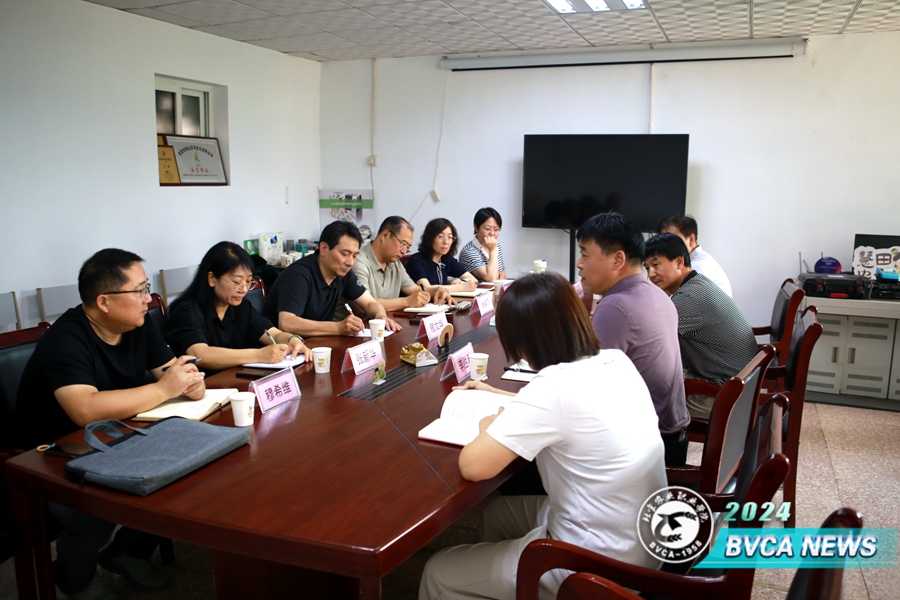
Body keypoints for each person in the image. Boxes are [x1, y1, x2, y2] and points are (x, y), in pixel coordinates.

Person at [419, 272, 665, 600]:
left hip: (596, 565)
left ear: (524, 340)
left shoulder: (554, 387)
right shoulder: (614, 360)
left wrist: (487, 426)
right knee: (497, 514)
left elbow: (473, 466)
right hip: (646, 540)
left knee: (438, 572)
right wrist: (496, 394)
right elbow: (567, 412)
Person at [14, 248, 206, 600]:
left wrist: (190, 382)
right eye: (140, 291)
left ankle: (127, 553)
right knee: (97, 505)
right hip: (54, 453)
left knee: (187, 467)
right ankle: (75, 579)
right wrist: (164, 388)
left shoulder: (138, 324)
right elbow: (84, 409)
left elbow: (171, 373)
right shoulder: (66, 339)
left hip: (114, 435)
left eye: (147, 288)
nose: (147, 299)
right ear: (104, 301)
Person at [576, 213, 691, 466]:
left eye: (585, 254)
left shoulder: (616, 306)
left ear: (618, 259)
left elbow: (586, 391)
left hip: (645, 449)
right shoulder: (656, 293)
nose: (579, 264)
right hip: (671, 438)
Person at [644, 233, 759, 420]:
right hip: (737, 382)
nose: (651, 274)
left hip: (726, 394)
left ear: (679, 262)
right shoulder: (697, 284)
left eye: (656, 265)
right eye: (647, 267)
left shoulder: (688, 298)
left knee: (643, 405)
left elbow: (647, 338)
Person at [164, 242, 312, 375]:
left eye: (248, 282)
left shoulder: (241, 307)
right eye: (236, 282)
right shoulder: (186, 311)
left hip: (233, 381)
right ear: (212, 279)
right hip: (199, 387)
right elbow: (201, 355)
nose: (244, 290)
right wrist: (259, 355)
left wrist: (292, 340)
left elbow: (274, 334)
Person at [262, 221, 397, 337]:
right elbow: (287, 323)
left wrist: (380, 316)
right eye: (345, 254)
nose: (350, 262)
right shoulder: (298, 276)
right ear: (324, 249)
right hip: (279, 350)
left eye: (355, 256)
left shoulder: (343, 273)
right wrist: (337, 327)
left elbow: (370, 303)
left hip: (314, 344)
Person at [336, 216, 452, 319]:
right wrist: (406, 301)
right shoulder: (358, 261)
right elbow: (363, 306)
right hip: (358, 328)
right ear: (385, 235)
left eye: (407, 247)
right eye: (403, 244)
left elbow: (415, 290)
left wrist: (436, 291)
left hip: (388, 324)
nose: (404, 251)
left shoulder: (395, 263)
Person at [404, 218, 479, 301]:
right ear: (430, 238)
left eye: (450, 237)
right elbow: (427, 289)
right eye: (440, 236)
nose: (446, 242)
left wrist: (456, 281)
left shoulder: (446, 259)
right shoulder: (417, 260)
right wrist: (461, 287)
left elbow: (473, 280)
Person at [658, 214, 733, 297]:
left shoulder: (697, 268)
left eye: (673, 240)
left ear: (691, 239)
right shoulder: (689, 262)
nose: (667, 246)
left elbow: (676, 299)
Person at [459, 207, 506, 282]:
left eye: (496, 229)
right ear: (476, 227)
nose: (492, 233)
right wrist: (493, 250)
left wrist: (501, 272)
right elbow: (491, 278)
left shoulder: (497, 246)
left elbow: (502, 273)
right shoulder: (469, 251)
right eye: (487, 229)